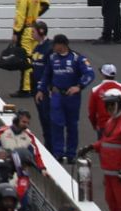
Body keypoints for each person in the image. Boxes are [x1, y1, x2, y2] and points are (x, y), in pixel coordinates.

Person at [33, 33, 93, 161]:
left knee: (72, 125)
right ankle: (58, 153)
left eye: (55, 44)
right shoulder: (52, 58)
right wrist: (40, 90)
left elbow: (89, 74)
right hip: (56, 95)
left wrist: (79, 86)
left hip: (72, 97)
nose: (53, 47)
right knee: (56, 124)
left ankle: (71, 154)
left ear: (62, 45)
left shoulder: (77, 58)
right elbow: (46, 75)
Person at [10, 0, 50, 96]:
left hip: (26, 30)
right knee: (33, 58)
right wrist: (35, 15)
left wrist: (16, 32)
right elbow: (46, 4)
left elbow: (20, 15)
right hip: (35, 27)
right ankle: (34, 85)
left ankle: (25, 88)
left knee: (25, 59)